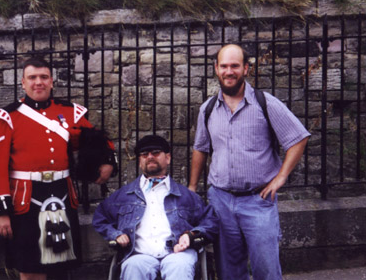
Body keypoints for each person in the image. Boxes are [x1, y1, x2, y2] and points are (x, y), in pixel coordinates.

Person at [0, 57, 117, 280]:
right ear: (23, 83)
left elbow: (97, 140)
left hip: (63, 195)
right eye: (32, 78)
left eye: (43, 77)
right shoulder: (7, 117)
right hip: (25, 200)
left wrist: (107, 162)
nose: (38, 82)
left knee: (60, 268)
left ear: (52, 82)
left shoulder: (69, 112)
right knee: (31, 269)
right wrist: (1, 212)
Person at [189, 44, 311, 280]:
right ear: (216, 69)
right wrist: (193, 188)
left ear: (246, 68)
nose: (229, 71)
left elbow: (298, 138)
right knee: (229, 271)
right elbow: (200, 149)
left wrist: (281, 177)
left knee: (266, 269)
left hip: (258, 201)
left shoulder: (266, 104)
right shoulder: (208, 109)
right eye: (224, 66)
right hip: (221, 201)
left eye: (235, 66)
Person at [93, 135, 218, 280]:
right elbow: (100, 218)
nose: (150, 157)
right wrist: (116, 234)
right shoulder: (122, 196)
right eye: (145, 155)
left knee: (180, 268)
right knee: (132, 267)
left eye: (156, 153)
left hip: (178, 254)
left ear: (168, 158)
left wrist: (191, 235)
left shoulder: (186, 196)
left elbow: (210, 222)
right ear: (140, 162)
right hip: (139, 254)